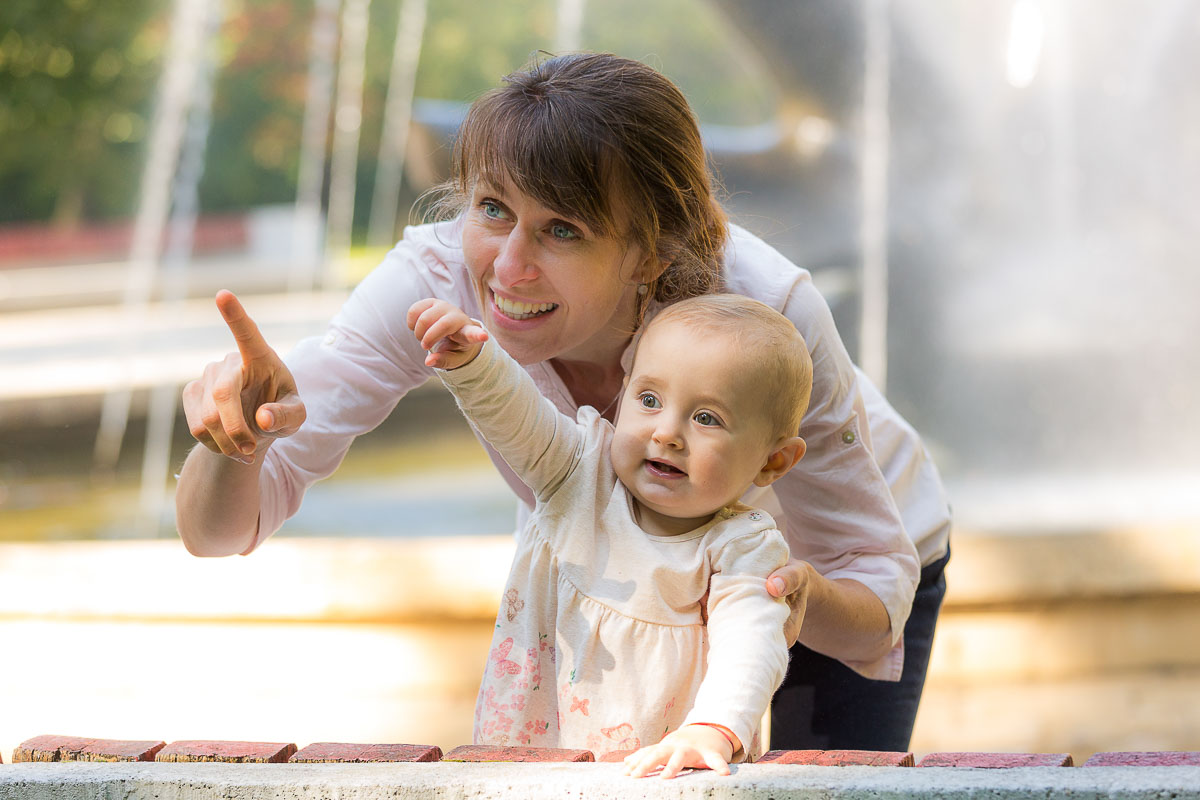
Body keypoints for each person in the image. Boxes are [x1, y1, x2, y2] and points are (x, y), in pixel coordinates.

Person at [176, 51, 951, 753]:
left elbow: (872, 577)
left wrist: (785, 593)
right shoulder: (435, 282)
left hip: (815, 575)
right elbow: (217, 532)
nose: (508, 269)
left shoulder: (768, 305)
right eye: (491, 209)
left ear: (651, 249)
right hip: (617, 578)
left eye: (563, 230)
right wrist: (228, 443)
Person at [409, 293, 809, 776]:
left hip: (662, 775)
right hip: (523, 765)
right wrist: (475, 361)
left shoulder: (741, 548)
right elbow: (518, 415)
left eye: (706, 418)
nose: (666, 432)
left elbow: (752, 642)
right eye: (649, 399)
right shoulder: (576, 472)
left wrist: (715, 728)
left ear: (773, 461)